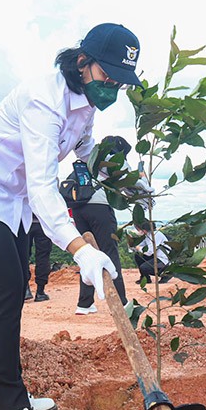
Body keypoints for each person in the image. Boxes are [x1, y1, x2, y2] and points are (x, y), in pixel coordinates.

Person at [0, 23, 142, 410]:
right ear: (82, 63)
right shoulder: (42, 101)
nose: (113, 89)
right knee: (7, 292)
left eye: (121, 83)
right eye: (108, 77)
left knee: (15, 290)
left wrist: (131, 186)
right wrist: (80, 249)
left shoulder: (85, 105)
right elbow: (43, 186)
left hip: (10, 199)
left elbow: (88, 156)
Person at [70, 135, 152, 315]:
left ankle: (84, 304)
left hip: (78, 208)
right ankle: (122, 302)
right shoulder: (115, 159)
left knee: (87, 253)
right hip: (100, 208)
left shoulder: (91, 156)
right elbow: (133, 183)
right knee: (109, 252)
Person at [133, 220, 172, 285]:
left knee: (144, 267)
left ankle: (166, 274)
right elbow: (141, 244)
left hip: (162, 258)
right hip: (155, 256)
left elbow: (149, 252)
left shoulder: (156, 235)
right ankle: (145, 278)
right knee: (138, 256)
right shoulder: (148, 235)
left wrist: (139, 248)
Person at [25, 214, 53, 302]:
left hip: (25, 222)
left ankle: (25, 289)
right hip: (43, 222)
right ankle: (40, 292)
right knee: (43, 256)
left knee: (23, 255)